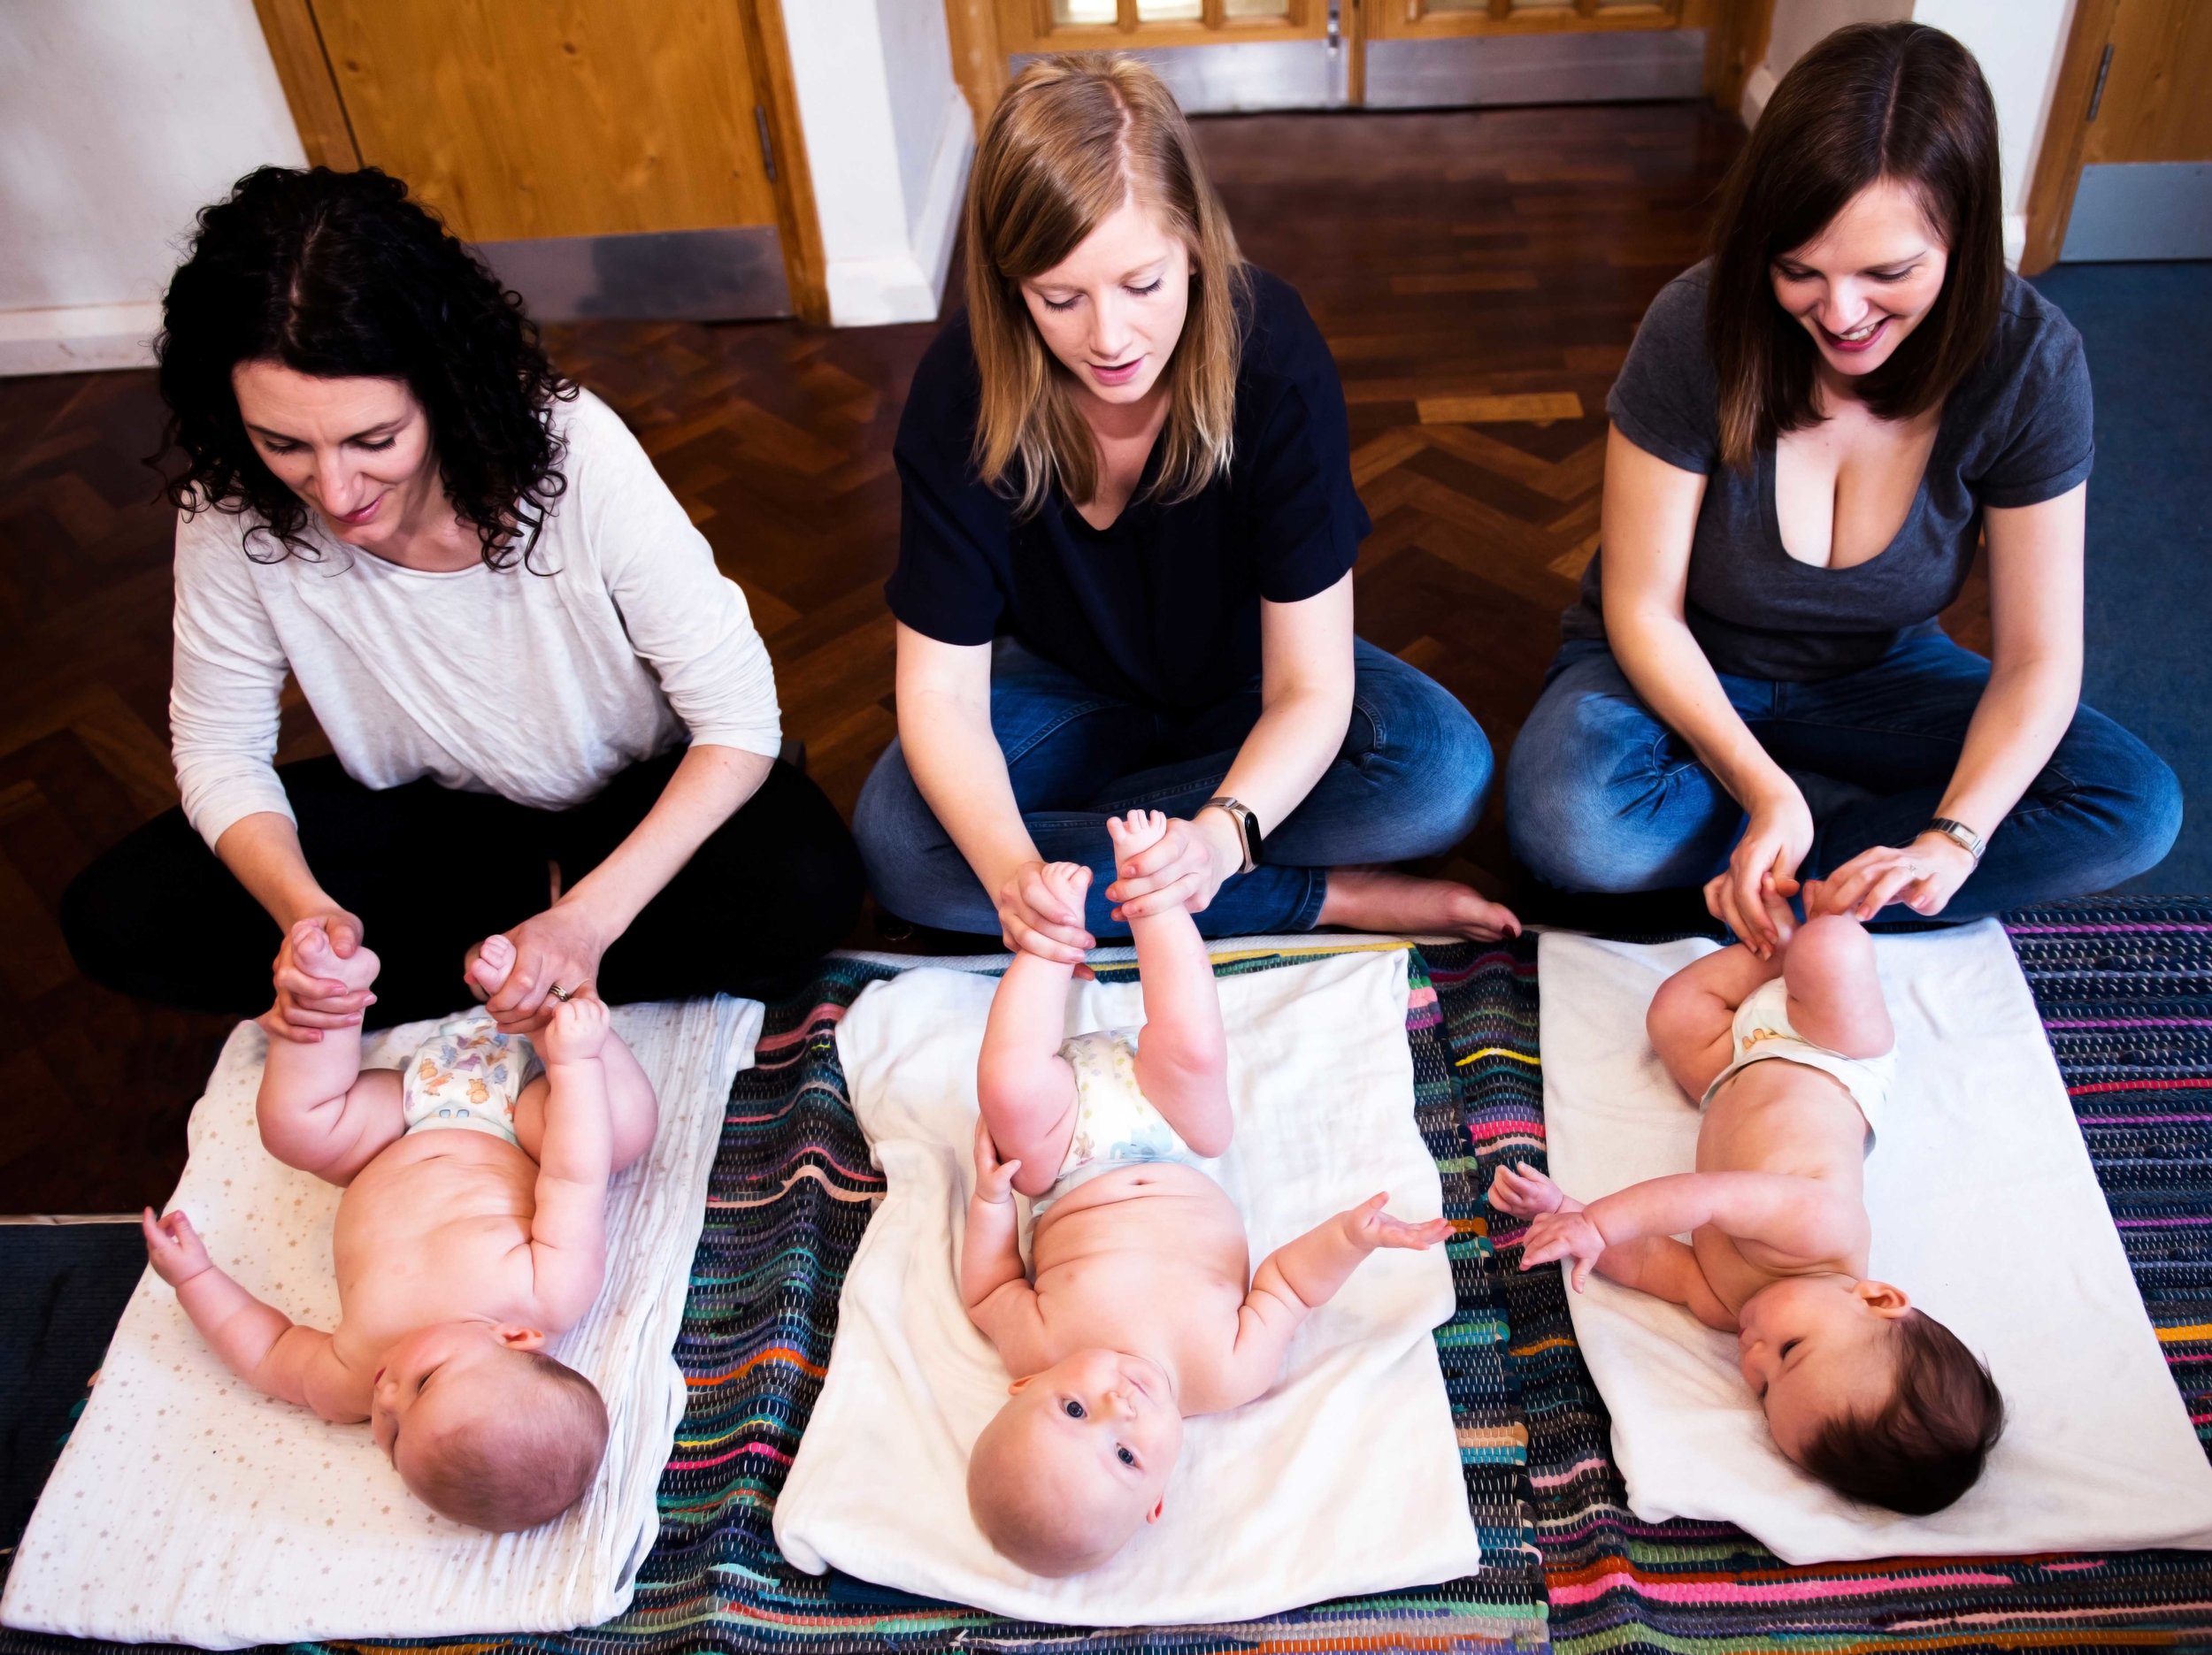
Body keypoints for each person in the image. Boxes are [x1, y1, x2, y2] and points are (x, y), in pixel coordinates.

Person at [60, 165, 863, 1039]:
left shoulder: (575, 451)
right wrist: (308, 920)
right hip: (434, 823)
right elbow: (220, 747)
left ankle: (492, 961)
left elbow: (739, 718)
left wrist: (588, 919)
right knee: (119, 914)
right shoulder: (232, 508)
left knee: (805, 882)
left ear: (442, 390)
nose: (333, 488)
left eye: (374, 439)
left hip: (627, 795)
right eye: (282, 442)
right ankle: (512, 962)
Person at [1503, 21, 2179, 949]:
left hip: (1884, 677)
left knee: (2133, 806)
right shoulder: (1693, 325)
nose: (1842, 312)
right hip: (1684, 665)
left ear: (1965, 238)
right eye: (1798, 271)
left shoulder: (2030, 361)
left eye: (1887, 273)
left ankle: (1767, 862)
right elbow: (1642, 608)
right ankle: (1829, 845)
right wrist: (1764, 783)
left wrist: (1952, 836)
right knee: (1571, 819)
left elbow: (2036, 658)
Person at [856, 54, 1519, 963]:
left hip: (1252, 683)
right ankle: (1320, 896)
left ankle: (1124, 840)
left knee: (1441, 773)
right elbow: (939, 693)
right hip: (1068, 689)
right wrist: (1015, 872)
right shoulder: (959, 390)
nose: (1110, 338)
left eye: (1142, 284)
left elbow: (1310, 688)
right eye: (1060, 298)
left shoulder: (1272, 357)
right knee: (899, 842)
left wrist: (1220, 836)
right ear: (1011, 287)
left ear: (1197, 245)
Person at [962, 810, 1450, 1575]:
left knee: (1008, 1090)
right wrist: (1352, 1240)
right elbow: (1288, 1285)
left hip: (1066, 1155)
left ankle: (1048, 940)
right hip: (1176, 1133)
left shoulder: (1037, 1343)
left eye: (1073, 1409)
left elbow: (989, 1287)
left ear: (1028, 1384)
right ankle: (1157, 908)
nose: (1117, 1405)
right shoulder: (1226, 1374)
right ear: (1159, 1493)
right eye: (1124, 1452)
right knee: (1192, 1046)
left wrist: (992, 1203)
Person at [1490, 893, 2004, 1515]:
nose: (1753, 1355)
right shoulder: (1821, 1230)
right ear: (1876, 1299)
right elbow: (1706, 1198)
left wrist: (1572, 1217)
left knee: (1672, 1012)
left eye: (1762, 1388)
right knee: (1831, 947)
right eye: (1791, 1350)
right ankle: (1793, 929)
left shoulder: (1727, 1305)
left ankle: (1774, 947)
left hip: (1733, 1067)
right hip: (1831, 1055)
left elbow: (1653, 1260)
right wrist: (1601, 1220)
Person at [141, 932, 649, 1532]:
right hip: (515, 1123)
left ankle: (328, 990)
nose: (386, 1399)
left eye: (392, 1435)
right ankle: (541, 1002)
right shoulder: (548, 1292)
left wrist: (196, 1278)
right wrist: (573, 1063)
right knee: (623, 1127)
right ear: (515, 1336)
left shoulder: (350, 1375)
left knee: (292, 1127)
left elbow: (266, 1351)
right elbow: (573, 1174)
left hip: (391, 1130)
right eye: (425, 1384)